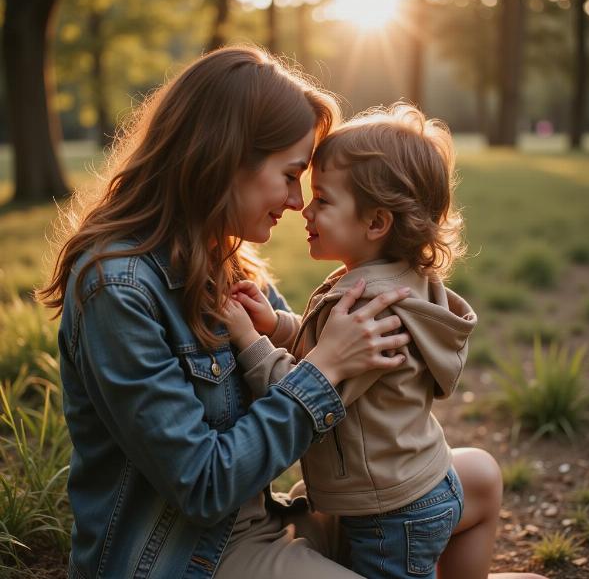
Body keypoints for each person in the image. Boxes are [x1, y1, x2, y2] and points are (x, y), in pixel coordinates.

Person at [37, 46, 544, 579]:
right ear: (226, 160)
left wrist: (310, 347)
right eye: (290, 175)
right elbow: (203, 485)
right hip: (185, 556)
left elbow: (293, 347)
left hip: (262, 521)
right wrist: (326, 369)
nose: (298, 202)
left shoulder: (226, 259)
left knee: (480, 477)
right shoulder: (117, 289)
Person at [222, 105, 545, 579]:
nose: (304, 210)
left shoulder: (366, 307)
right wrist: (277, 325)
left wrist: (251, 341)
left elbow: (307, 390)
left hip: (389, 517)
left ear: (376, 223)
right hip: (426, 484)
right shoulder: (403, 283)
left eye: (324, 201)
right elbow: (325, 349)